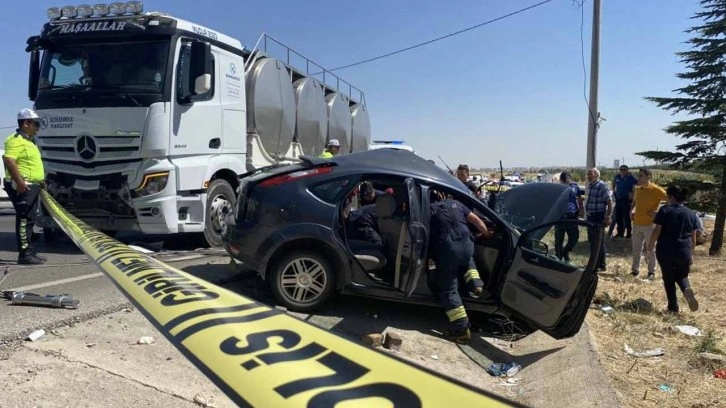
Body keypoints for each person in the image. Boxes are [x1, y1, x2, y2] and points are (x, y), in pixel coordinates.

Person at [428, 190, 492, 343]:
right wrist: (486, 234)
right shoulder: (457, 204)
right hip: (467, 243)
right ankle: (476, 284)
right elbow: (476, 221)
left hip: (449, 249)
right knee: (467, 259)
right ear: (442, 196)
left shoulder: (430, 210)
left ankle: (460, 328)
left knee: (448, 288)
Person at [647, 185, 699, 314]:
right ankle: (686, 288)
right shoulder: (691, 214)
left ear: (672, 197)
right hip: (684, 251)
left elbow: (656, 231)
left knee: (668, 278)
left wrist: (649, 248)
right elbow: (694, 238)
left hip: (665, 250)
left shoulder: (664, 210)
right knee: (681, 275)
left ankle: (673, 307)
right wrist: (691, 254)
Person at [3, 109, 46, 265]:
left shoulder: (30, 141)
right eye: (36, 123)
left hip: (32, 185)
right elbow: (8, 160)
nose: (38, 127)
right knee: (23, 219)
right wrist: (20, 182)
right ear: (26, 123)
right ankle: (24, 254)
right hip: (23, 186)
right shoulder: (15, 140)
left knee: (30, 220)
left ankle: (29, 249)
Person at [630, 168, 667, 280]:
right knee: (636, 249)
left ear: (648, 177)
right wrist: (631, 211)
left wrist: (659, 213)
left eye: (641, 176)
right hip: (637, 224)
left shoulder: (657, 190)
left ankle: (651, 272)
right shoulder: (637, 189)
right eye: (639, 176)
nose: (639, 178)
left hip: (649, 225)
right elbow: (635, 202)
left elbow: (670, 201)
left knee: (650, 249)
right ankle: (634, 271)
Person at [584, 168, 613, 271]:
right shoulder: (592, 186)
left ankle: (601, 264)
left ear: (596, 175)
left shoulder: (602, 185)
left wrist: (608, 216)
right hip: (591, 216)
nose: (588, 176)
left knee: (598, 241)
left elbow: (609, 201)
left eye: (590, 174)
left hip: (599, 216)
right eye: (587, 174)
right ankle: (595, 264)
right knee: (593, 241)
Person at [554, 172, 584, 262]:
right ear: (562, 180)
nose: (568, 181)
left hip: (572, 215)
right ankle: (558, 256)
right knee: (559, 238)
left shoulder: (575, 187)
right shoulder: (557, 188)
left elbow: (579, 198)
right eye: (566, 180)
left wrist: (581, 209)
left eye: (569, 179)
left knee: (574, 237)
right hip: (560, 216)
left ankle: (565, 252)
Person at [609, 165, 638, 238]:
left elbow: (638, 185)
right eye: (621, 169)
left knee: (627, 217)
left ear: (627, 170)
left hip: (626, 199)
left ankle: (628, 233)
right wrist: (614, 191)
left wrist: (632, 193)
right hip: (618, 199)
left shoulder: (631, 178)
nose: (622, 171)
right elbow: (613, 183)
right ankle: (620, 232)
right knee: (619, 217)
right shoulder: (617, 177)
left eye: (624, 169)